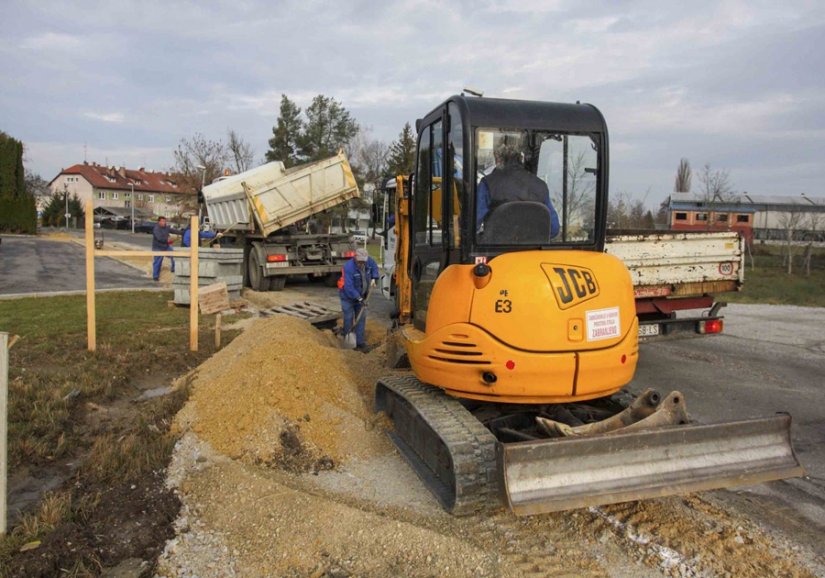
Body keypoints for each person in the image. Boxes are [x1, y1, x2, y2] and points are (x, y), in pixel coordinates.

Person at [476, 143, 560, 238]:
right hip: (532, 250)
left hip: (496, 250)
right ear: (521, 159)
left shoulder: (488, 184)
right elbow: (553, 229)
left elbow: (473, 223)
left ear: (497, 159)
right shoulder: (541, 186)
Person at [338, 247, 379, 353]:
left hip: (362, 295)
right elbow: (349, 287)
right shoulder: (349, 267)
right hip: (347, 296)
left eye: (363, 261)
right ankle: (349, 343)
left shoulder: (368, 261)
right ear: (355, 257)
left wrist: (374, 278)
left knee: (361, 318)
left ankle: (360, 343)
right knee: (348, 317)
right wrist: (359, 298)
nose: (362, 263)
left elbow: (374, 267)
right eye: (360, 261)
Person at [151, 216, 180, 281]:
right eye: (163, 221)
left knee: (174, 255)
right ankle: (155, 276)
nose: (164, 223)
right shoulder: (156, 229)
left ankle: (173, 269)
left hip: (166, 247)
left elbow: (174, 231)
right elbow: (159, 238)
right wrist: (167, 241)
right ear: (159, 222)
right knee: (158, 262)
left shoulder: (166, 228)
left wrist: (183, 232)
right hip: (158, 247)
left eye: (165, 221)